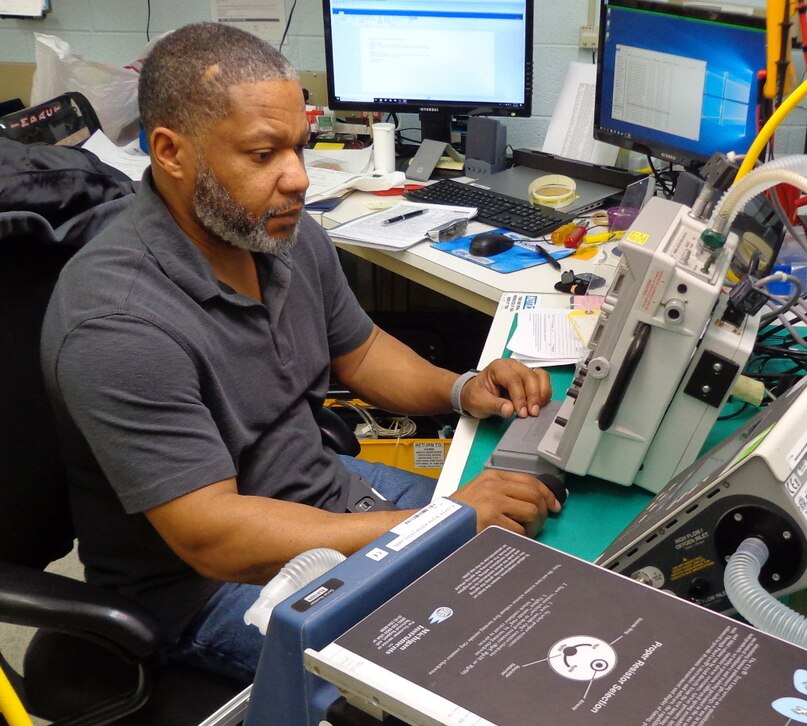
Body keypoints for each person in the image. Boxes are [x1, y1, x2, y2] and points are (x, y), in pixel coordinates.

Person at [40, 22, 560, 683]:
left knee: (525, 545)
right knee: (471, 666)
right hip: (208, 588)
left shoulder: (277, 231)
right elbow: (213, 537)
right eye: (263, 155)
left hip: (325, 496)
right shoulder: (117, 323)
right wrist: (436, 526)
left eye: (299, 147)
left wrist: (461, 389)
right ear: (171, 151)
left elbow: (363, 351)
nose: (298, 179)